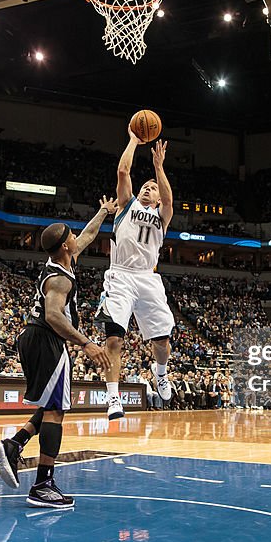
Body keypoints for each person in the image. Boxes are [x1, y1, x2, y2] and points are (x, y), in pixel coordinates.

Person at [0, 199, 115, 508]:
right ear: (63, 246)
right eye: (70, 236)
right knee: (56, 411)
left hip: (35, 339)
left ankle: (14, 444)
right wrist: (87, 343)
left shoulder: (64, 259)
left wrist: (102, 211)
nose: (77, 238)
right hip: (45, 338)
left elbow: (87, 236)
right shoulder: (59, 278)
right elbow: (53, 315)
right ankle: (43, 484)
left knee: (51, 404)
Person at [96, 128, 175, 419]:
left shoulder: (161, 216)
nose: (147, 188)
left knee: (162, 342)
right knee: (114, 339)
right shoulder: (125, 206)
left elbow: (168, 201)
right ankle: (113, 397)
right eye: (145, 186)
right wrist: (133, 140)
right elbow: (122, 171)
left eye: (152, 188)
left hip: (148, 278)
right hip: (120, 276)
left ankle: (161, 372)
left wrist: (158, 167)